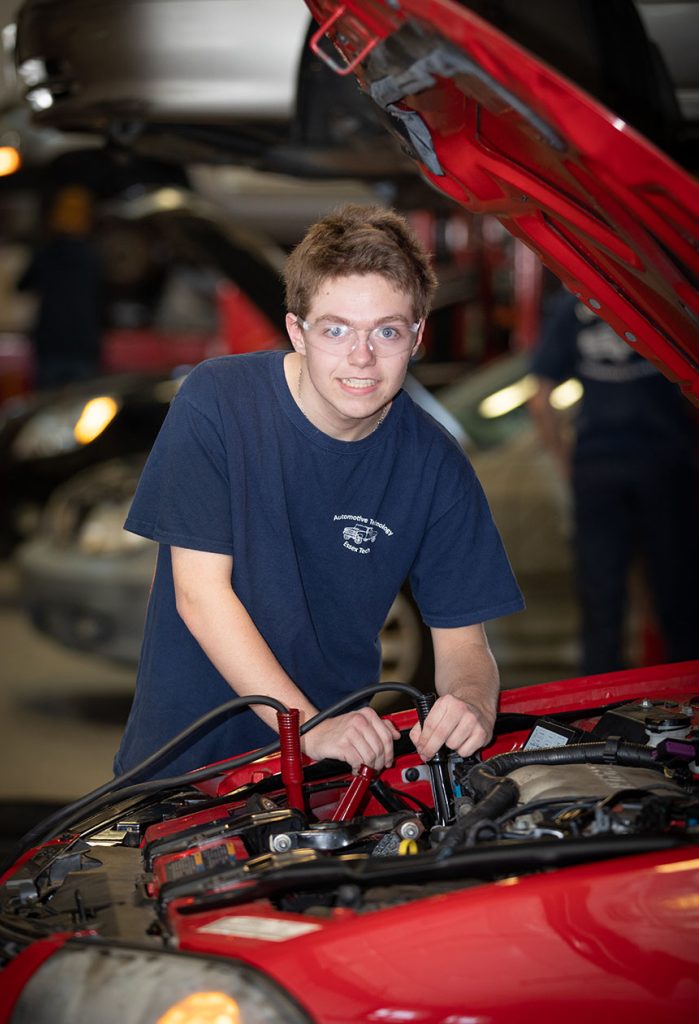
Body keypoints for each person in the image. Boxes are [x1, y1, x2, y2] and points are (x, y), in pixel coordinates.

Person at [114, 205, 524, 780]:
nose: (362, 357)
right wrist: (306, 725)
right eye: (336, 329)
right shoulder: (219, 402)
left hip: (330, 771)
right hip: (186, 762)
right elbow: (200, 595)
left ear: (417, 335)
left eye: (386, 330)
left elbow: (463, 644)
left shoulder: (436, 464)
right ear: (297, 332)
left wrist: (472, 701)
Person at [529, 287, 699, 675]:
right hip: (664, 464)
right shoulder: (668, 296)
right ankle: (686, 712)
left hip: (598, 468)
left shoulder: (575, 303)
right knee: (679, 601)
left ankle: (600, 714)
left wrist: (567, 464)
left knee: (602, 603)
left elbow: (539, 398)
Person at [17, 185, 104, 390]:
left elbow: (21, 286)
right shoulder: (93, 256)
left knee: (46, 409)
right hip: (81, 345)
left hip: (53, 344)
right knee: (80, 411)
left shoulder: (46, 253)